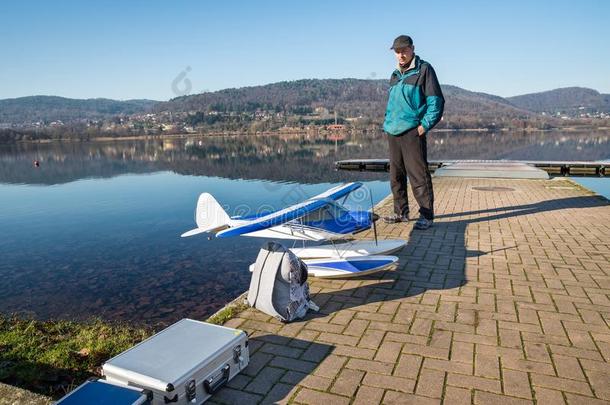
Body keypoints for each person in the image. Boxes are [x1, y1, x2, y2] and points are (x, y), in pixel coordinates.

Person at [382, 35, 444, 230]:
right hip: (393, 131)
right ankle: (401, 212)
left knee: (418, 176)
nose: (401, 54)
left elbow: (436, 102)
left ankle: (426, 215)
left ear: (412, 49)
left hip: (412, 131)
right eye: (397, 51)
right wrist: (387, 121)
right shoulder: (394, 75)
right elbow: (393, 104)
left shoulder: (424, 69)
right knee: (396, 175)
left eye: (404, 50)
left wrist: (424, 126)